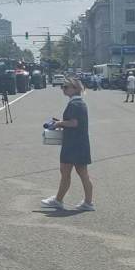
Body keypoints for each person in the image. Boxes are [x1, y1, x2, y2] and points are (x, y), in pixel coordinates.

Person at [41, 77, 94, 211]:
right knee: (81, 173)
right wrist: (61, 122)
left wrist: (59, 123)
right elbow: (75, 122)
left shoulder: (75, 104)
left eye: (66, 87)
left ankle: (59, 200)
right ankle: (87, 202)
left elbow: (74, 123)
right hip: (79, 143)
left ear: (75, 89)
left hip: (73, 144)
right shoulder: (78, 103)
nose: (63, 89)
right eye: (62, 87)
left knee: (66, 172)